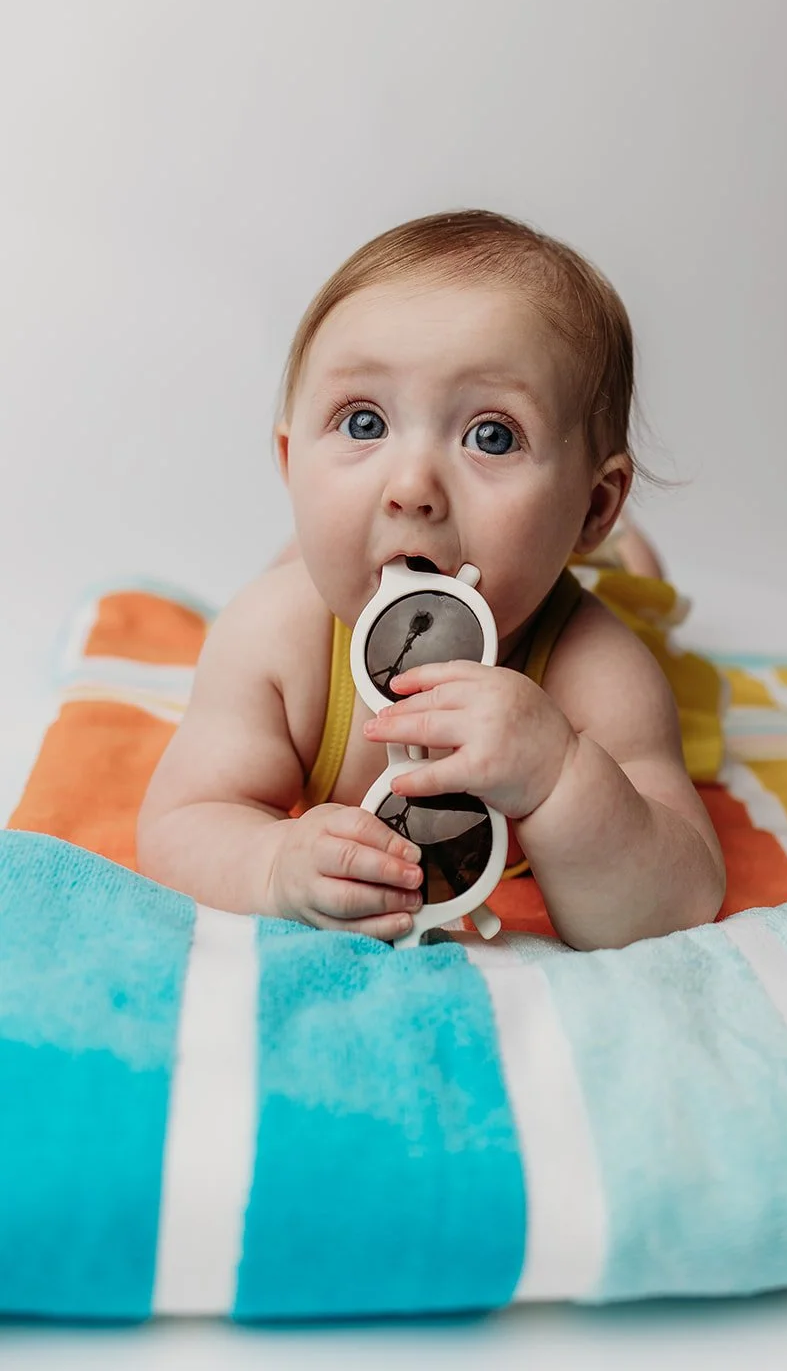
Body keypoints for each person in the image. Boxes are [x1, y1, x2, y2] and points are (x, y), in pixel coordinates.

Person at [137, 210, 725, 950]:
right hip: (310, 592)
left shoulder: (597, 675)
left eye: (491, 436)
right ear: (290, 463)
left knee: (641, 586)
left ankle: (625, 550)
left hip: (577, 590)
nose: (412, 486)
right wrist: (272, 864)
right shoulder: (273, 641)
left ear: (592, 506)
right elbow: (181, 822)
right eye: (363, 423)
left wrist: (560, 776)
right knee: (290, 577)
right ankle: (306, 544)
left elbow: (681, 898)